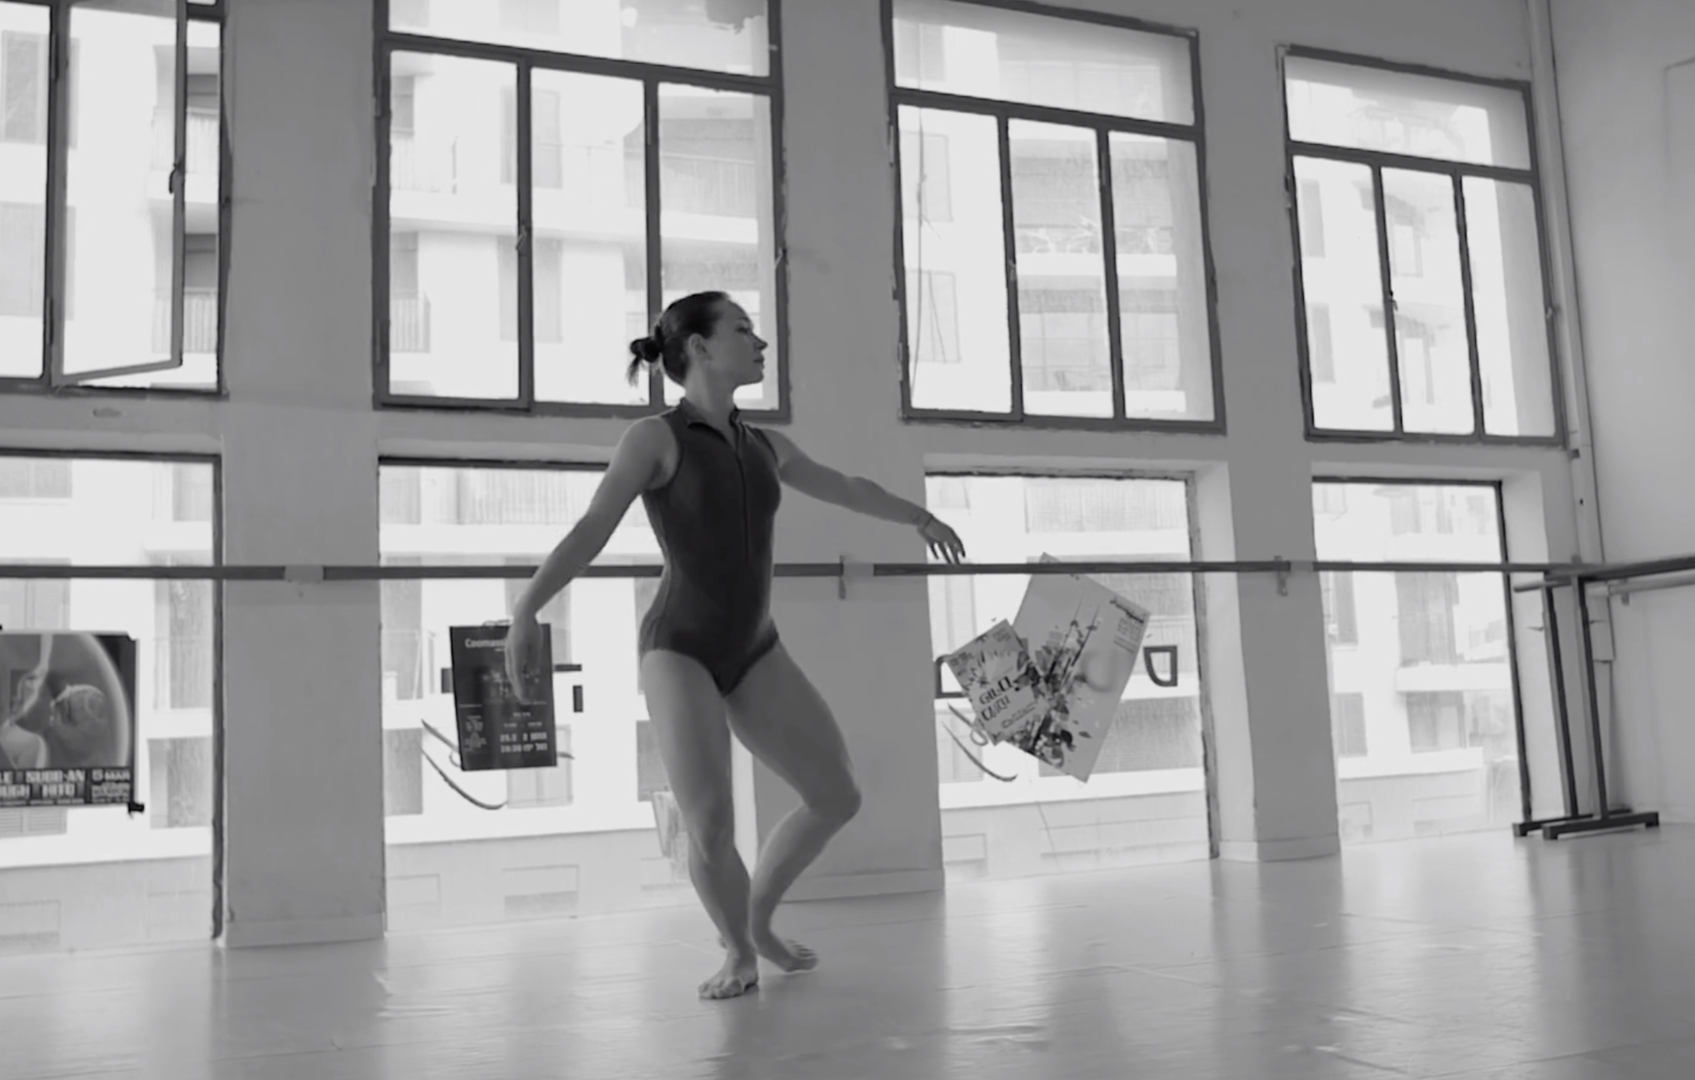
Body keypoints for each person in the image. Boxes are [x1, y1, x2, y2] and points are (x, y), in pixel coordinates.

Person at [504, 291, 966, 1000]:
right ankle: (740, 953)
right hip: (679, 647)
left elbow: (845, 486)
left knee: (836, 794)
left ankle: (757, 921)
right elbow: (593, 527)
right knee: (711, 824)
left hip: (755, 647)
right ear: (697, 347)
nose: (760, 343)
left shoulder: (764, 444)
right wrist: (526, 608)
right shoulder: (655, 439)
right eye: (743, 330)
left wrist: (919, 517)